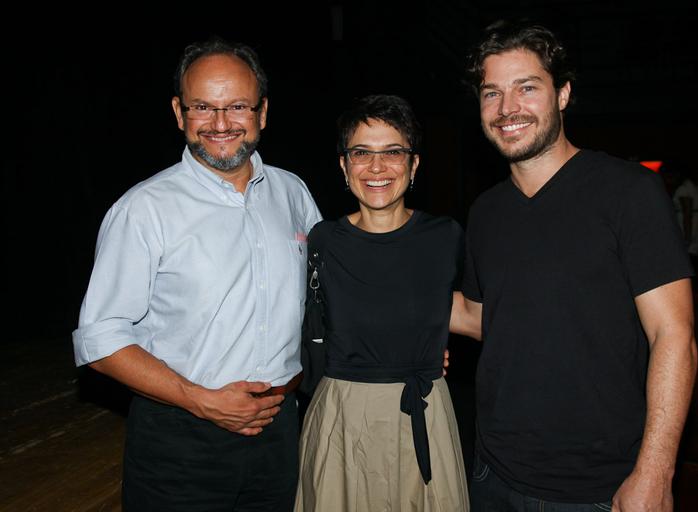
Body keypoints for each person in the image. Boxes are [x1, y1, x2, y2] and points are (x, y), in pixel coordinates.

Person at [453, 20, 698, 511]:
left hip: (598, 488)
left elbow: (673, 336)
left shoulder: (628, 192)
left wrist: (655, 472)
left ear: (563, 94)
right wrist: (377, 286)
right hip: (492, 473)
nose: (507, 109)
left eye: (527, 88)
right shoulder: (485, 212)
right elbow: (484, 318)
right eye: (491, 93)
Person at [72, 38, 322, 511]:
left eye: (238, 107)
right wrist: (199, 399)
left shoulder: (293, 193)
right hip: (180, 442)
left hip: (282, 431)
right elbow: (100, 340)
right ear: (178, 111)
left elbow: (330, 292)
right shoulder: (144, 209)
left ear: (263, 112)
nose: (221, 124)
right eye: (203, 107)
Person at [294, 94, 470, 511]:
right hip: (342, 416)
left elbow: (467, 311)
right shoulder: (322, 240)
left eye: (393, 152)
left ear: (414, 165)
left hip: (424, 411)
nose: (376, 168)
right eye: (361, 153)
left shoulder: (446, 237)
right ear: (344, 165)